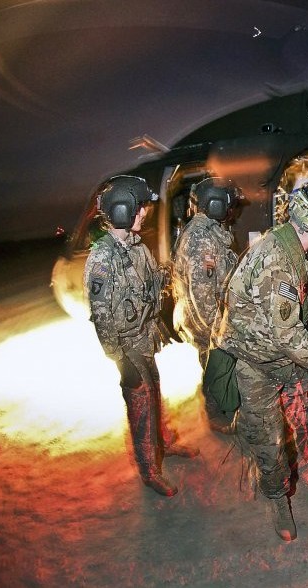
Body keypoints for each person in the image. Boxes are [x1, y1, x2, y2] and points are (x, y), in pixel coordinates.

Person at [213, 176, 308, 541]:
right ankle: (278, 497)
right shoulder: (276, 260)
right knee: (269, 436)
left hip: (292, 355)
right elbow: (285, 333)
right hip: (257, 361)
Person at [84, 175, 199, 497]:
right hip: (127, 347)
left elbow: (150, 280)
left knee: (154, 394)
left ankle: (162, 444)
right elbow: (102, 318)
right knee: (139, 405)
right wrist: (120, 361)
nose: (145, 213)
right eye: (140, 208)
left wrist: (173, 266)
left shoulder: (134, 246)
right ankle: (149, 470)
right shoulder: (102, 260)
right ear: (123, 211)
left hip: (144, 338)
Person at [171, 177, 240, 432]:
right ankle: (218, 418)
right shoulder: (202, 239)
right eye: (228, 203)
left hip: (209, 318)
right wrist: (217, 333)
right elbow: (202, 295)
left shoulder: (210, 232)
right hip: (206, 323)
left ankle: (220, 410)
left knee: (216, 365)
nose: (232, 209)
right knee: (215, 366)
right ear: (216, 204)